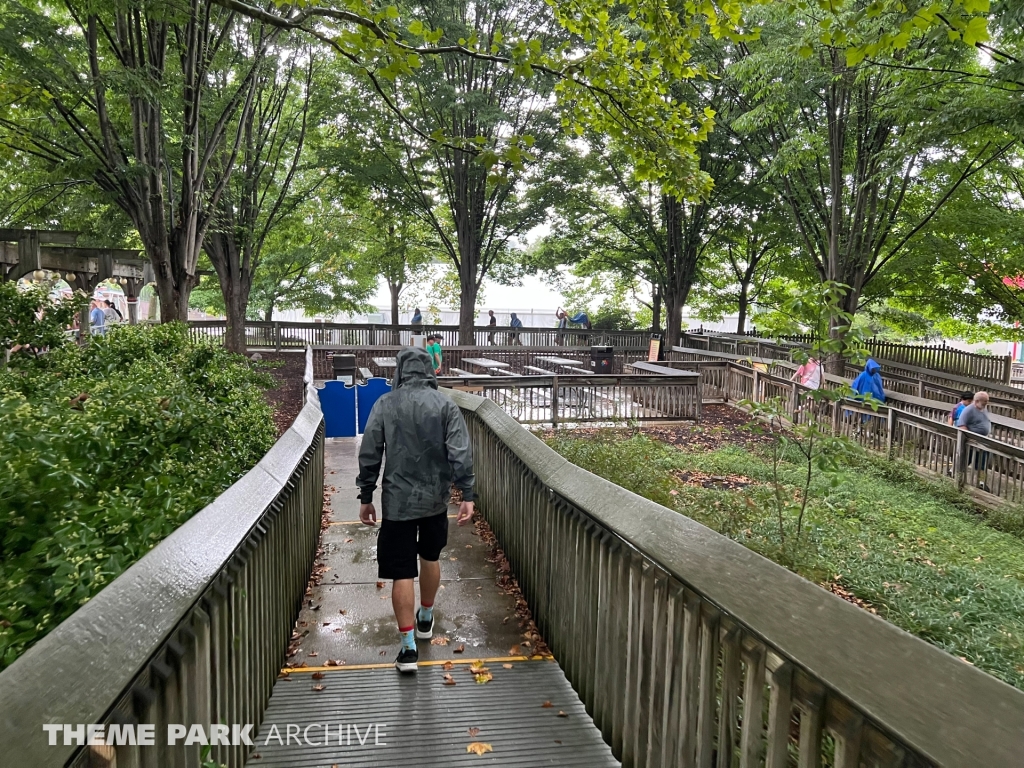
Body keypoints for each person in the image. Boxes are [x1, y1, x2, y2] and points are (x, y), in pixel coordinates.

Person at [356, 346, 476, 673]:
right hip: (435, 499)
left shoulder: (385, 404)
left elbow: (370, 452)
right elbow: (460, 453)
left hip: (397, 503)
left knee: (402, 571)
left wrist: (366, 494)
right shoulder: (445, 405)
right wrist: (468, 493)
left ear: (399, 371)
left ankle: (408, 650)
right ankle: (426, 615)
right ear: (429, 371)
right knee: (431, 558)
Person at [958, 391, 992, 491]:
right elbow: (961, 425)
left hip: (983, 442)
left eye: (987, 401)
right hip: (972, 442)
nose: (986, 403)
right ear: (977, 401)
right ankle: (955, 475)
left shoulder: (983, 408)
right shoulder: (968, 410)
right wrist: (970, 438)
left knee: (982, 464)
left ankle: (981, 483)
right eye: (985, 401)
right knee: (964, 461)